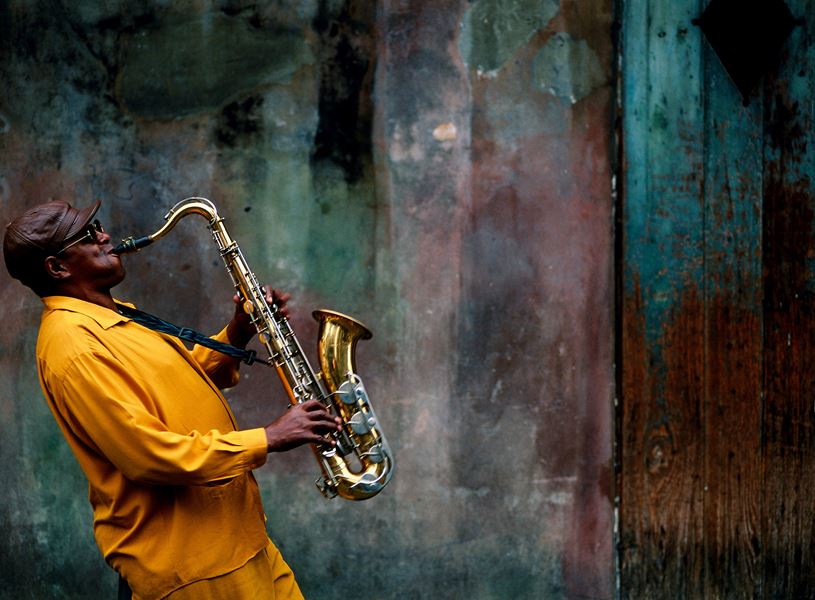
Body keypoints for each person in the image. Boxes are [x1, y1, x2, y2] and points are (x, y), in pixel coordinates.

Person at [3, 199, 342, 599]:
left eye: (97, 225)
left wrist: (237, 332)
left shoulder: (112, 317)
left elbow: (179, 383)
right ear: (57, 267)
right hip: (194, 568)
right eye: (88, 235)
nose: (104, 235)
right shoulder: (74, 346)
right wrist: (268, 437)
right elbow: (147, 455)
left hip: (238, 542)